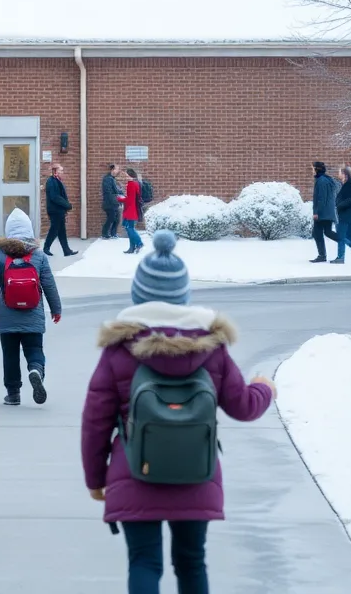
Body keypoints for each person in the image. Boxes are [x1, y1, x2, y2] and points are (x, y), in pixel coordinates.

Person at [80, 230, 276, 594]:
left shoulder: (119, 350)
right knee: (191, 562)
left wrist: (96, 479)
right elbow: (243, 406)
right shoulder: (212, 348)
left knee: (144, 562)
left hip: (135, 474)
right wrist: (265, 387)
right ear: (183, 295)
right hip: (195, 475)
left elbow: (95, 421)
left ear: (139, 295)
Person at [0, 208, 63, 406]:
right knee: (34, 348)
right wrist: (56, 309)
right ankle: (35, 369)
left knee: (10, 355)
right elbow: (49, 284)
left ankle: (13, 394)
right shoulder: (38, 255)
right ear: (29, 230)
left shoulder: (0, 255)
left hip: (7, 314)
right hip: (33, 314)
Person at [43, 163, 78, 257]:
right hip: (55, 211)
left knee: (61, 231)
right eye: (61, 170)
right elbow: (54, 197)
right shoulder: (51, 181)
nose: (62, 172)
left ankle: (66, 251)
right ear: (55, 171)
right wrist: (67, 205)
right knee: (54, 230)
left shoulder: (57, 180)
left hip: (59, 210)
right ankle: (46, 248)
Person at [310, 161, 340, 263]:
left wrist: (316, 212)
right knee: (328, 232)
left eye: (313, 168)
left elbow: (321, 198)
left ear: (317, 169)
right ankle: (347, 242)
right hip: (328, 212)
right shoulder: (327, 179)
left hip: (322, 212)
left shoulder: (321, 181)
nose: (312, 170)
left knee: (316, 233)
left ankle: (322, 255)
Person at [121, 168, 143, 254]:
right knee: (129, 228)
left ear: (130, 175)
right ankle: (132, 247)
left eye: (126, 175)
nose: (125, 177)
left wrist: (120, 199)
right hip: (132, 209)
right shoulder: (136, 183)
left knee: (130, 228)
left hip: (130, 210)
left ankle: (139, 243)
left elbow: (130, 199)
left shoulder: (131, 184)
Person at [101, 164, 124, 239]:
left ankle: (113, 233)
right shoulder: (107, 179)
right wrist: (117, 196)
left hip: (114, 203)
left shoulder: (112, 178)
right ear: (112, 170)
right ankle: (104, 234)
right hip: (109, 203)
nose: (118, 171)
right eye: (117, 169)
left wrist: (120, 192)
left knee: (116, 219)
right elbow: (108, 192)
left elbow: (115, 190)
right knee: (111, 218)